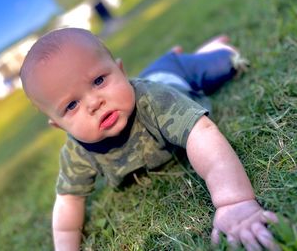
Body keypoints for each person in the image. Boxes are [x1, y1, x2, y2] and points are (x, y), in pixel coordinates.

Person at [20, 28, 279, 251]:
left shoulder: (154, 101)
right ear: (58, 125)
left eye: (99, 80)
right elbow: (68, 200)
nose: (94, 102)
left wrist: (233, 200)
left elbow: (202, 134)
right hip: (154, 74)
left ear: (120, 71)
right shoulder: (77, 153)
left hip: (174, 76)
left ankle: (204, 52)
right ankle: (175, 57)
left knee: (225, 64)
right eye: (72, 105)